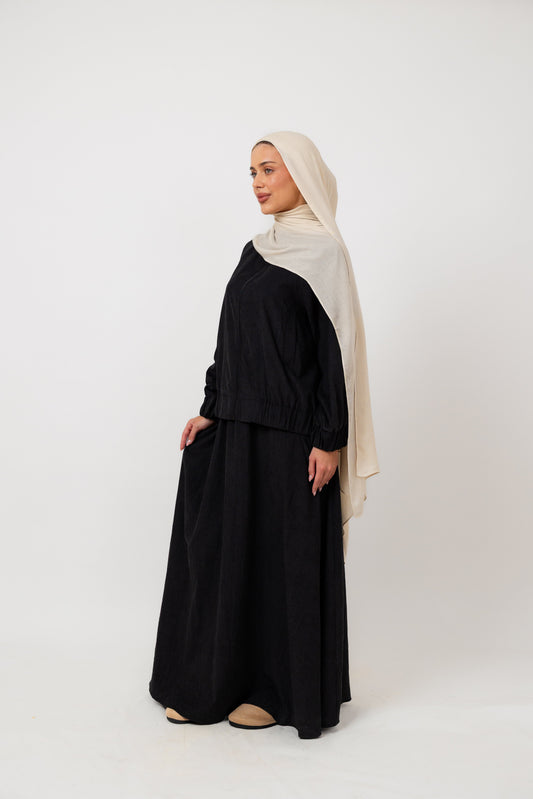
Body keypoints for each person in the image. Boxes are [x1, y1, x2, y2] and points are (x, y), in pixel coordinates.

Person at [148, 130, 380, 740]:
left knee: (282, 563)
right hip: (239, 428)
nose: (257, 183)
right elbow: (231, 337)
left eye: (269, 169)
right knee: (226, 555)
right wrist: (211, 408)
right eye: (252, 172)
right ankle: (216, 682)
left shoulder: (325, 255)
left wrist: (329, 438)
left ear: (302, 175)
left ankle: (275, 692)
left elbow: (336, 355)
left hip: (293, 439)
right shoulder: (256, 251)